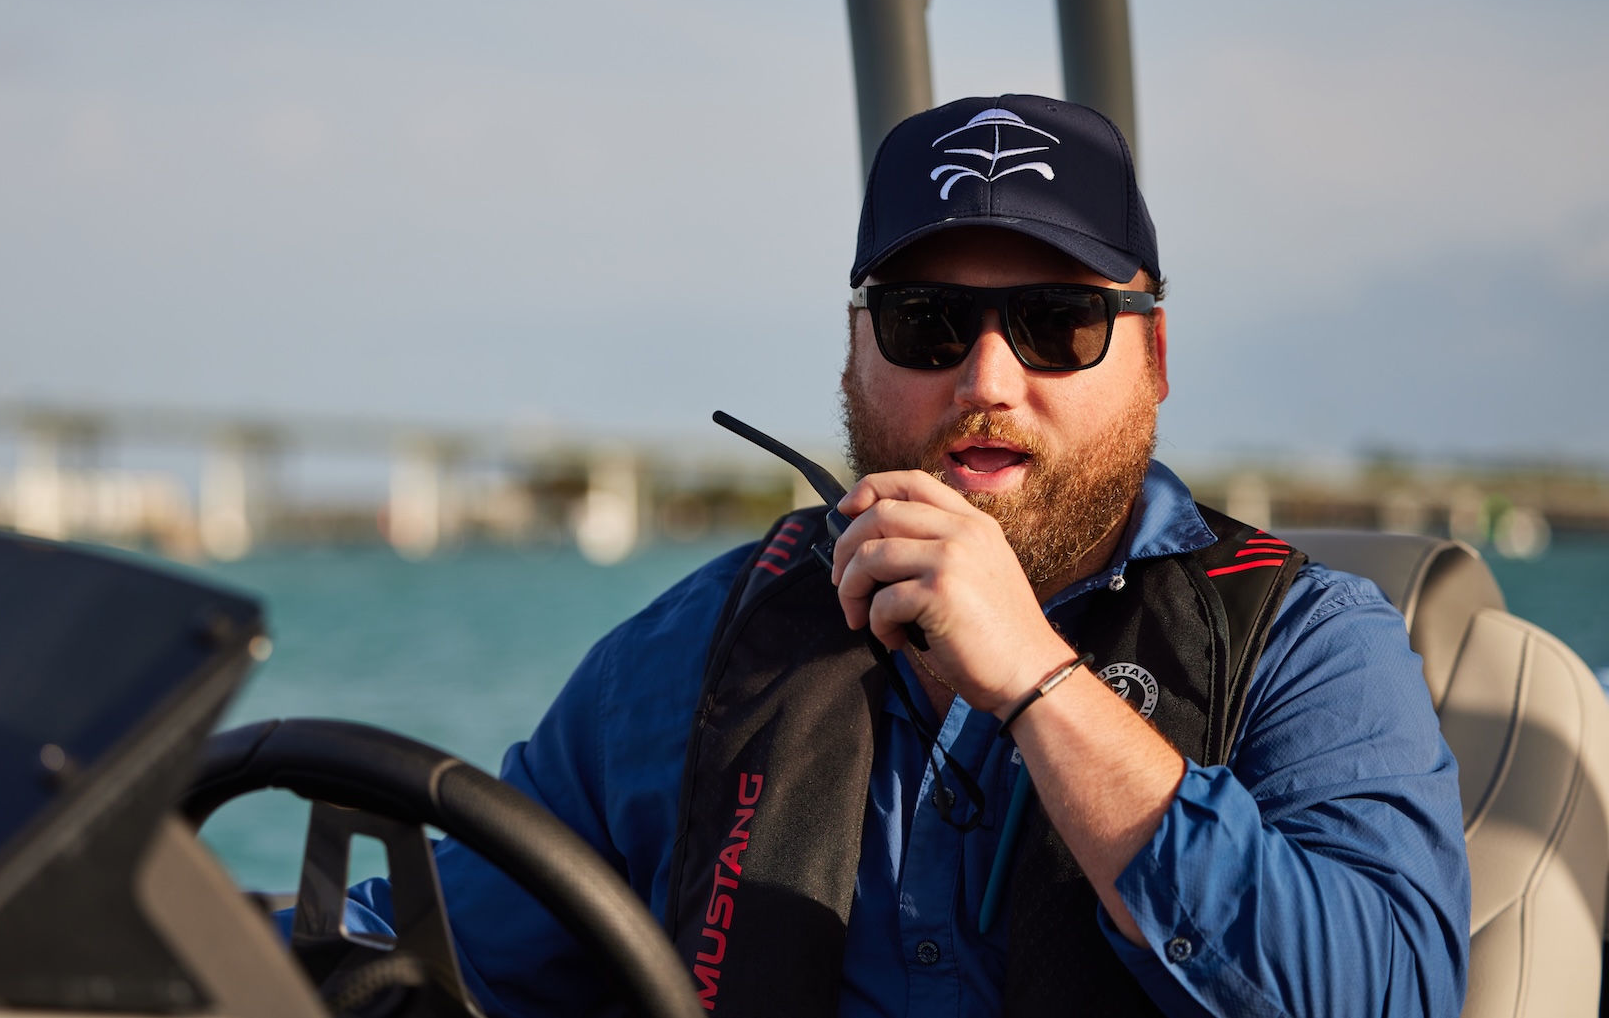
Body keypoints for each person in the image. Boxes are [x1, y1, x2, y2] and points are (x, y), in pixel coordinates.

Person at [343, 94, 1470, 1016]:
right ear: (853, 356)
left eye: (1061, 322)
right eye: (927, 323)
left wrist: (1038, 680)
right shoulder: (692, 654)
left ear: (1153, 358)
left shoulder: (1308, 644)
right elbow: (433, 950)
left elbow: (1391, 995)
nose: (986, 381)